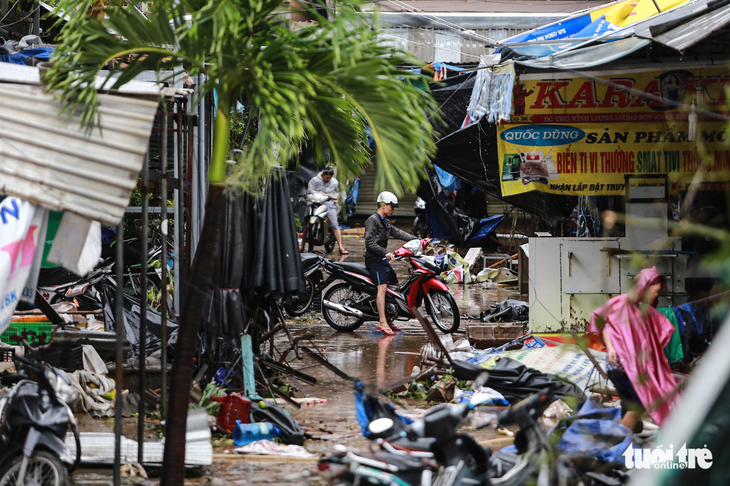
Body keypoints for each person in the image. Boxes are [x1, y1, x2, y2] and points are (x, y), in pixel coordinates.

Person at [589, 266, 680, 430]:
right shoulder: (623, 303)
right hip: (621, 365)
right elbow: (604, 321)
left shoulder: (640, 309)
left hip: (627, 366)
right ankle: (617, 439)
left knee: (630, 404)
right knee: (638, 403)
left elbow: (659, 330)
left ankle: (625, 439)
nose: (656, 294)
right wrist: (610, 347)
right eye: (655, 290)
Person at [364, 191, 419, 336]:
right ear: (383, 205)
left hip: (382, 260)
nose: (393, 209)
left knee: (394, 286)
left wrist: (419, 240)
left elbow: (401, 233)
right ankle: (382, 322)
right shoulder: (372, 220)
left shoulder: (386, 223)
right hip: (373, 260)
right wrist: (385, 252)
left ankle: (389, 317)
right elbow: (369, 243)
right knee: (382, 289)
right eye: (391, 206)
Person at [307, 166, 348, 254]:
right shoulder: (314, 180)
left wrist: (336, 199)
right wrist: (319, 195)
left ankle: (341, 247)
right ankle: (302, 246)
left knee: (334, 224)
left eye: (330, 177)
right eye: (327, 177)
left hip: (329, 204)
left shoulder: (335, 182)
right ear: (323, 174)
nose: (328, 179)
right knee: (307, 223)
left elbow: (341, 193)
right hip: (314, 203)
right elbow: (310, 191)